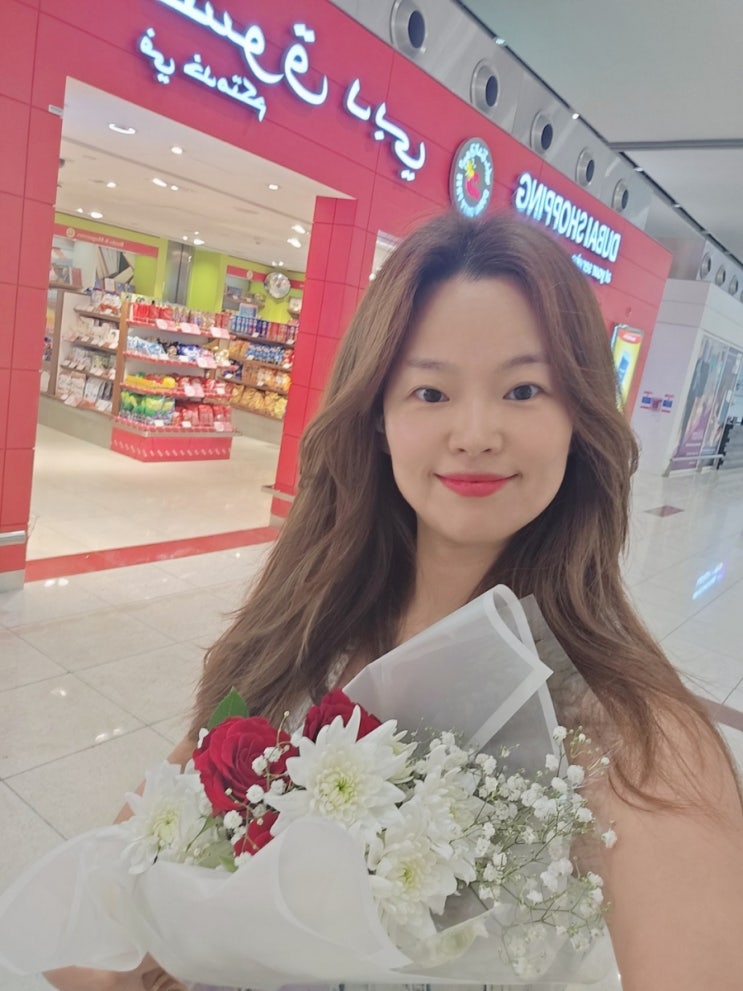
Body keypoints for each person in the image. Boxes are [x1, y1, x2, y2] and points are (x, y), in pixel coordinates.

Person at [46, 211, 743, 991]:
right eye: (429, 391)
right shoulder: (300, 630)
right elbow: (125, 870)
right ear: (377, 416)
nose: (474, 433)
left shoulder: (637, 740)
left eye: (522, 389)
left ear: (578, 416)